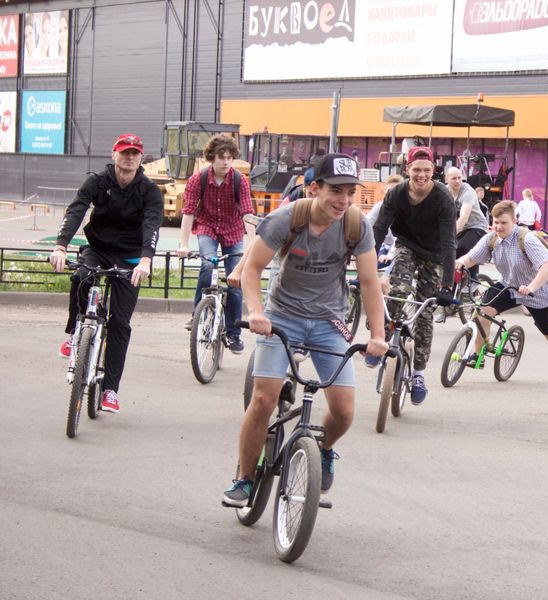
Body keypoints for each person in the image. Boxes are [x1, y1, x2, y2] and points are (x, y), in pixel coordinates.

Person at [223, 153, 389, 506]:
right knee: (264, 398)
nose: (343, 200)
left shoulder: (356, 225)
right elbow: (251, 269)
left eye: (350, 192)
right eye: (335, 191)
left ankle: (323, 449)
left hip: (331, 321)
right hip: (282, 316)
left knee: (344, 411)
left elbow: (370, 282)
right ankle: (245, 478)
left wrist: (378, 335)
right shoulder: (286, 219)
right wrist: (256, 312)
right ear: (315, 188)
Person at [49, 133, 163, 414]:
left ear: (140, 157)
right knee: (81, 277)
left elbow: (152, 225)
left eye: (135, 152)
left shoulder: (149, 191)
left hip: (131, 256)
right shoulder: (98, 181)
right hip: (98, 247)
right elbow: (76, 210)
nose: (129, 157)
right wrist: (60, 246)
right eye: (124, 152)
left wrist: (145, 261)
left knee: (120, 323)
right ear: (114, 154)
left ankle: (110, 390)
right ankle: (75, 331)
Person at [371, 146, 457, 404]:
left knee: (425, 313)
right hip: (406, 245)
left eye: (426, 170)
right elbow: (378, 230)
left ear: (434, 171)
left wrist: (447, 286)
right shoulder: (396, 193)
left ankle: (419, 373)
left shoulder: (443, 197)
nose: (421, 175)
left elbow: (449, 242)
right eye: (416, 170)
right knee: (397, 292)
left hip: (434, 253)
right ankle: (381, 340)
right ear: (407, 170)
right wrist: (369, 269)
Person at [456, 200, 548, 382]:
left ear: (514, 221)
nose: (499, 227)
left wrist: (531, 287)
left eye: (504, 223)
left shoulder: (526, 239)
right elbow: (471, 258)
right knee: (482, 312)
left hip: (538, 291)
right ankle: (477, 356)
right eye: (496, 222)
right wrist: (460, 263)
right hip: (509, 285)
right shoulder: (491, 238)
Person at [176, 134, 253, 354]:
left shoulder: (239, 181)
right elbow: (189, 212)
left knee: (235, 281)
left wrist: (253, 243)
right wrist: (183, 244)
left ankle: (233, 334)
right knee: (207, 265)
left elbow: (247, 213)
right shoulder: (197, 180)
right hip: (207, 227)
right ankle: (198, 313)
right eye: (221, 157)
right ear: (212, 158)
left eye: (230, 157)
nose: (226, 162)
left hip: (233, 230)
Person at [436, 166, 490, 322]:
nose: (458, 181)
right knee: (449, 257)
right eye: (454, 178)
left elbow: (464, 217)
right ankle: (448, 304)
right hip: (459, 230)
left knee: (462, 248)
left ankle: (473, 280)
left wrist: (449, 236)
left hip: (477, 227)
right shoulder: (444, 192)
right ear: (446, 179)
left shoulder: (468, 191)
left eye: (460, 178)